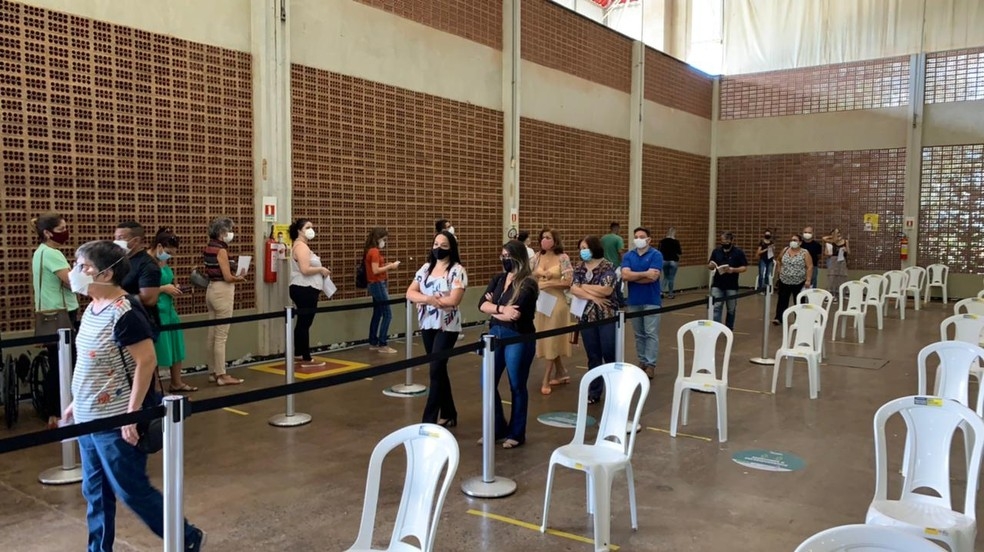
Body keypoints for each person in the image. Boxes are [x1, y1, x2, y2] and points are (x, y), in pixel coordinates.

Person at [63, 240, 206, 551]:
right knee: (95, 491)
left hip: (115, 420)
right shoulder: (92, 309)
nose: (75, 272)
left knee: (132, 490)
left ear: (106, 273)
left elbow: (146, 361)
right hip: (89, 417)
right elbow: (90, 363)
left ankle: (186, 537)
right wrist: (77, 401)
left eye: (83, 266)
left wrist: (132, 413)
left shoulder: (125, 312)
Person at [478, 240, 538, 449]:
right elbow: (481, 304)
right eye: (502, 255)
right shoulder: (498, 279)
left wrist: (492, 307)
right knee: (487, 382)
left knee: (517, 384)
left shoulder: (528, 283)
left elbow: (516, 314)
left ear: (518, 257)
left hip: (518, 336)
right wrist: (502, 309)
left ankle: (516, 432)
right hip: (495, 334)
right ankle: (497, 428)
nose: (504, 259)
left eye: (508, 256)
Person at [406, 231, 467, 427]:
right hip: (427, 323)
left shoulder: (457, 270)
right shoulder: (425, 268)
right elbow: (410, 292)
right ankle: (449, 412)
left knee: (436, 368)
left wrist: (427, 300)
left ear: (451, 249)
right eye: (436, 244)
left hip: (447, 326)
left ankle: (428, 420)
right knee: (438, 369)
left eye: (444, 245)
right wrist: (429, 299)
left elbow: (454, 299)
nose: (438, 248)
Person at [32, 213, 80, 428]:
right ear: (47, 233)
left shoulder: (40, 252)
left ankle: (54, 410)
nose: (65, 233)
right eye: (61, 229)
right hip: (61, 315)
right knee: (64, 364)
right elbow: (71, 282)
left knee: (58, 363)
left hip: (48, 313)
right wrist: (85, 272)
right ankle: (55, 410)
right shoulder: (53, 253)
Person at [571, 236, 618, 404]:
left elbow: (606, 290)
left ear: (594, 248)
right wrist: (594, 297)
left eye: (585, 248)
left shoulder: (608, 266)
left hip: (606, 316)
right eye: (581, 248)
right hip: (586, 316)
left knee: (609, 352)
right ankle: (594, 391)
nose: (582, 251)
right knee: (593, 355)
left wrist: (584, 287)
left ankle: (614, 391)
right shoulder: (579, 267)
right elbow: (573, 289)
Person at [151, 228, 195, 392]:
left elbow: (167, 280)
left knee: (176, 346)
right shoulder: (148, 263)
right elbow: (143, 290)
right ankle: (155, 387)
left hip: (169, 309)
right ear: (159, 246)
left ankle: (176, 382)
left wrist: (173, 287)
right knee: (157, 349)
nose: (169, 256)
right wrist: (163, 289)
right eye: (168, 252)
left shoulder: (163, 261)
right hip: (156, 309)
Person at [203, 217, 245, 385]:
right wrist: (239, 278)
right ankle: (222, 375)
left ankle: (212, 371)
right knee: (221, 336)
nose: (231, 234)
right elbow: (227, 277)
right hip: (223, 291)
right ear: (222, 232)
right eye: (229, 230)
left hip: (211, 289)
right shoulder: (221, 250)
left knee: (212, 334)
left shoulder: (209, 247)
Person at [531, 227, 573, 395]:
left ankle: (546, 378)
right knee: (546, 338)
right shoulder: (537, 256)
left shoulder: (563, 258)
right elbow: (529, 274)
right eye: (543, 237)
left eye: (548, 237)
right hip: (541, 303)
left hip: (556, 302)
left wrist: (550, 283)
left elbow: (568, 282)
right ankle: (561, 372)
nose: (544, 240)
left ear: (555, 240)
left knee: (552, 338)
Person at [621, 227, 663, 379]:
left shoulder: (656, 255)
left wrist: (634, 277)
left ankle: (651, 364)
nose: (638, 239)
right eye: (636, 236)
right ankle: (642, 361)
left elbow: (653, 277)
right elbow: (625, 276)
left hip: (651, 300)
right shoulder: (628, 255)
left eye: (642, 236)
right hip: (634, 300)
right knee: (639, 334)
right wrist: (645, 273)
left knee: (651, 333)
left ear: (648, 239)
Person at [289, 218, 331, 367]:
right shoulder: (301, 247)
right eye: (307, 227)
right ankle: (305, 356)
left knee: (303, 322)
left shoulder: (302, 246)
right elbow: (305, 269)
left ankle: (299, 352)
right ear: (299, 230)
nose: (311, 230)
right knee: (305, 323)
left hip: (305, 288)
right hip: (304, 288)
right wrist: (321, 269)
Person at [113, 221, 161, 327]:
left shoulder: (147, 265)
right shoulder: (119, 260)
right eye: (116, 238)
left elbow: (149, 299)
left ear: (136, 241)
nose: (116, 242)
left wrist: (114, 298)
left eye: (121, 238)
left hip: (139, 322)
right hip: (120, 319)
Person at [364, 227, 400, 353]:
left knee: (378, 313)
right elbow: (375, 270)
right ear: (378, 238)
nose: (384, 242)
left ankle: (373, 341)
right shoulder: (374, 251)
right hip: (378, 283)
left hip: (374, 284)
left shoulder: (370, 251)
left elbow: (375, 267)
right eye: (384, 239)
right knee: (387, 314)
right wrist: (390, 267)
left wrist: (385, 265)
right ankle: (383, 343)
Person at [707, 232, 748, 330]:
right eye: (722, 241)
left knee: (731, 308)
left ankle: (729, 328)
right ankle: (716, 328)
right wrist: (711, 266)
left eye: (726, 241)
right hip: (717, 284)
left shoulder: (738, 252)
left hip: (731, 285)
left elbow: (744, 267)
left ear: (732, 241)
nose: (724, 243)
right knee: (716, 307)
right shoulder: (716, 251)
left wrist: (733, 270)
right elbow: (710, 264)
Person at [773, 233, 813, 324]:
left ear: (800, 242)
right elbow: (779, 260)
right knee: (782, 300)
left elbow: (810, 266)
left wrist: (808, 279)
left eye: (795, 240)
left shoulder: (805, 253)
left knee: (799, 300)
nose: (792, 242)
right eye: (791, 240)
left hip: (799, 281)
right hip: (784, 280)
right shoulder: (785, 250)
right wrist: (779, 270)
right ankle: (779, 318)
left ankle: (799, 319)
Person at [823, 229, 850, 297]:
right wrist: (832, 236)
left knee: (842, 276)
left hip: (842, 260)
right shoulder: (831, 242)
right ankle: (831, 293)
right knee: (832, 277)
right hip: (833, 260)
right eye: (836, 233)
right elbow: (824, 238)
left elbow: (849, 252)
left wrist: (846, 250)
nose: (838, 234)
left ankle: (842, 293)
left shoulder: (845, 241)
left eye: (838, 232)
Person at [658, 227, 682, 299]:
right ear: (674, 233)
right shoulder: (676, 242)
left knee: (665, 277)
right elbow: (679, 252)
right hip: (673, 261)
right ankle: (670, 294)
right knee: (671, 278)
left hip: (664, 261)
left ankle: (660, 291)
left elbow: (659, 251)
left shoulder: (662, 241)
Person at [801, 226, 822, 290]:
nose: (807, 234)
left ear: (813, 233)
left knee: (812, 284)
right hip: (800, 267)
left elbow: (819, 256)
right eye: (805, 232)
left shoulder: (817, 245)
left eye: (809, 232)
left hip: (813, 267)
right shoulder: (799, 244)